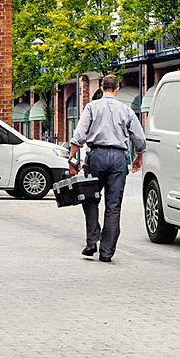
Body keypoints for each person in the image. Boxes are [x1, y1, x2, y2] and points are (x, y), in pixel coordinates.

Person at [67, 74, 145, 263]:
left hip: (96, 156)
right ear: (117, 89)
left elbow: (79, 135)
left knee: (90, 198)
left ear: (101, 88)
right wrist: (139, 156)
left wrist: (72, 160)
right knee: (113, 205)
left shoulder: (92, 107)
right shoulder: (126, 110)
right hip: (118, 159)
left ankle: (92, 240)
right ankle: (107, 252)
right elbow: (140, 138)